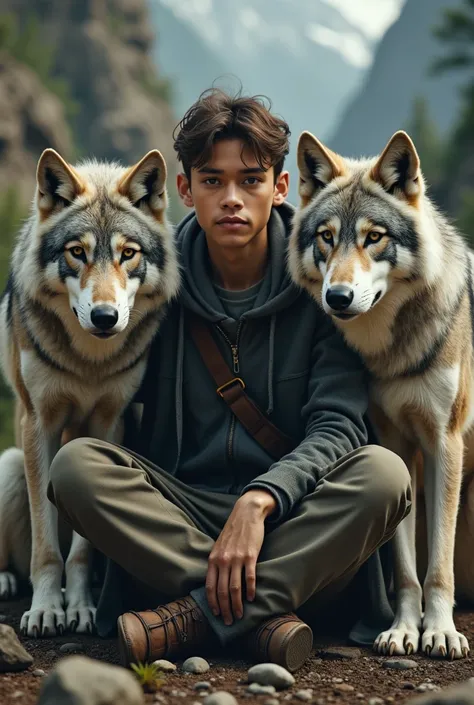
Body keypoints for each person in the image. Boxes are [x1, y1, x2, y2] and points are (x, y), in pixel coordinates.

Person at [48, 88, 411, 672]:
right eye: (212, 181)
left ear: (282, 187)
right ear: (185, 191)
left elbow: (340, 425)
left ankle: (192, 618)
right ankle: (261, 615)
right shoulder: (147, 280)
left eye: (251, 180)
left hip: (294, 516)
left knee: (384, 475)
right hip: (180, 513)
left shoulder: (328, 279)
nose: (232, 200)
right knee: (75, 468)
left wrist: (262, 497)